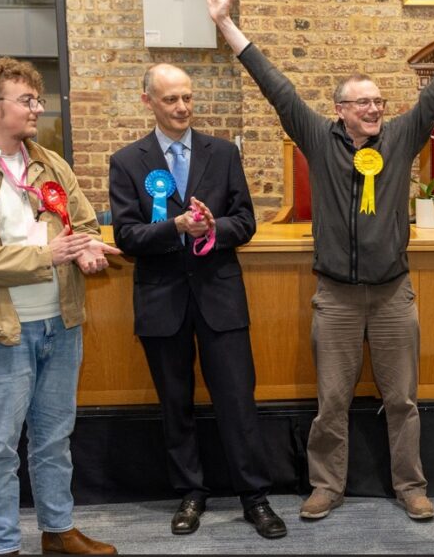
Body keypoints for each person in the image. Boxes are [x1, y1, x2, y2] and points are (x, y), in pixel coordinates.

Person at [206, 0, 434, 521]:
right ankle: (326, 486)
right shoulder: (317, 139)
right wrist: (228, 27)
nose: (374, 108)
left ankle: (410, 485)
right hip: (337, 299)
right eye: (362, 102)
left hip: (393, 296)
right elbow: (276, 87)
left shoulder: (402, 135)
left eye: (378, 101)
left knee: (403, 403)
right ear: (340, 110)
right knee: (332, 405)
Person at [108, 64, 286, 539]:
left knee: (237, 401)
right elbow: (127, 236)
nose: (182, 107)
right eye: (170, 100)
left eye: (187, 97)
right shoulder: (127, 161)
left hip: (219, 298)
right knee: (175, 404)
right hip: (161, 303)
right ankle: (191, 493)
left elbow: (245, 221)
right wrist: (176, 228)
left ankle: (255, 497)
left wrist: (213, 227)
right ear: (148, 101)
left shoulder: (223, 153)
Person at [0, 57, 120, 555]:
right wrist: (44, 256)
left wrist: (88, 249)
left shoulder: (50, 162)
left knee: (54, 438)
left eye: (37, 99)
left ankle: (58, 529)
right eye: (26, 100)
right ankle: (3, 547)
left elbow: (84, 225)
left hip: (61, 323)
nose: (37, 109)